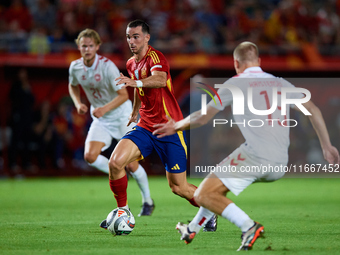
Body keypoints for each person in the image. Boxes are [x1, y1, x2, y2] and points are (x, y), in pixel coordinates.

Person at [153, 42, 340, 250]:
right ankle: (193, 228)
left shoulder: (235, 83)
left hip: (256, 155)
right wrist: (327, 146)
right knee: (215, 187)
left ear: (236, 63)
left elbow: (203, 117)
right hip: (279, 162)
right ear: (259, 61)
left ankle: (248, 225)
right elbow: (313, 110)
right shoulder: (280, 83)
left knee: (202, 194)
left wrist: (175, 125)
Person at [100, 20, 217, 231]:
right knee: (115, 162)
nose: (131, 41)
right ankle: (123, 211)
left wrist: (135, 83)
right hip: (145, 125)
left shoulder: (156, 57)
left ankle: (209, 210)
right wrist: (135, 110)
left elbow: (160, 79)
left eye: (136, 36)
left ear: (147, 37)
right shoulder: (130, 63)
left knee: (178, 187)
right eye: (128, 37)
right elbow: (138, 86)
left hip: (169, 128)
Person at [68, 28, 154, 217]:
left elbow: (124, 95)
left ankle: (148, 201)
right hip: (102, 120)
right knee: (90, 156)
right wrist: (78, 103)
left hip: (123, 118)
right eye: (84, 46)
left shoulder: (107, 67)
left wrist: (103, 109)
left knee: (132, 165)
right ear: (79, 47)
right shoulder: (75, 67)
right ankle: (117, 170)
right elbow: (73, 85)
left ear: (97, 47)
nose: (87, 49)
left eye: (91, 46)